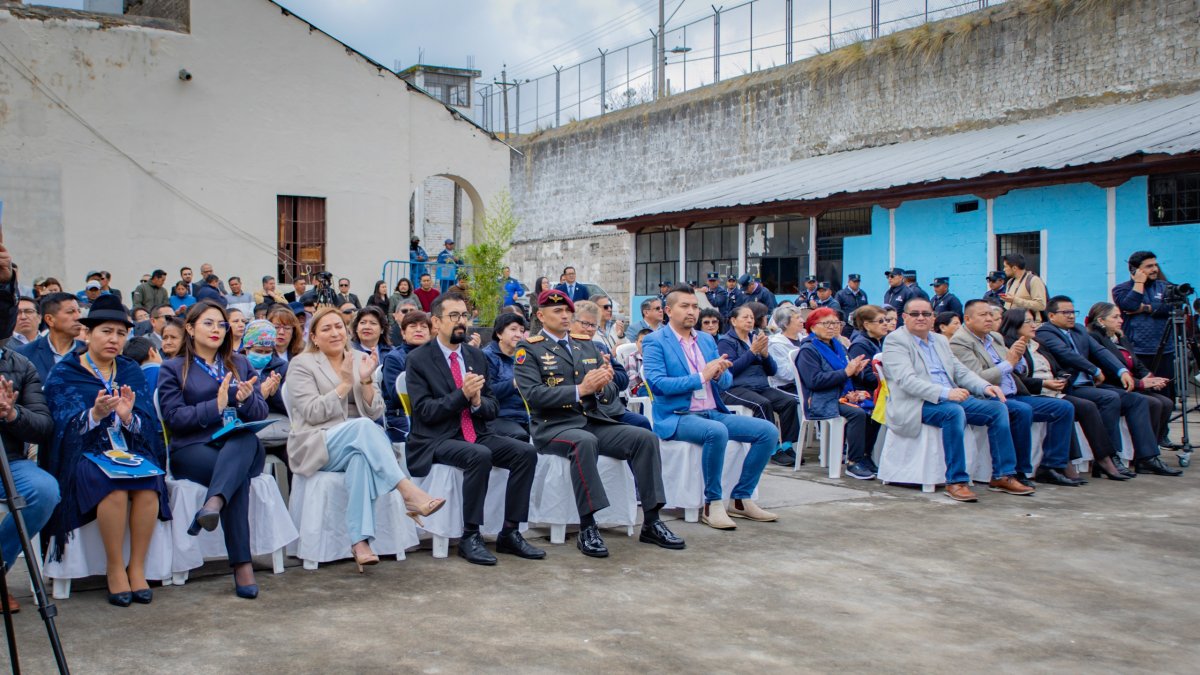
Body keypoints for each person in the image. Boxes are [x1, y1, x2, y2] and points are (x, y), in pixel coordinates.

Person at [514, 290, 682, 557]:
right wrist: (580, 389)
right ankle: (588, 526)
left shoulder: (586, 344)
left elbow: (611, 389)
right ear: (540, 316)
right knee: (584, 442)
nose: (564, 316)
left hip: (591, 419)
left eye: (567, 311)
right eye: (557, 311)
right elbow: (533, 395)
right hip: (554, 427)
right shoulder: (529, 349)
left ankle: (651, 521)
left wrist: (602, 386)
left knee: (644, 438)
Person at [285, 307, 444, 570]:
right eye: (326, 329)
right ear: (313, 337)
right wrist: (345, 384)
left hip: (359, 443)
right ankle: (408, 491)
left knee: (360, 457)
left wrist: (367, 380)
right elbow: (311, 413)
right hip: (316, 443)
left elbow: (376, 411)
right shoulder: (302, 364)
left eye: (339, 326)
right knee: (363, 428)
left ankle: (360, 542)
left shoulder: (359, 358)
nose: (335, 333)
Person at [41, 294, 170, 606]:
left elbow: (147, 424)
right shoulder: (66, 372)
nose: (114, 339)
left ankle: (136, 566)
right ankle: (115, 568)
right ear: (87, 334)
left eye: (121, 333)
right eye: (106, 331)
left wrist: (127, 417)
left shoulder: (129, 370)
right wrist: (94, 415)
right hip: (85, 453)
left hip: (127, 451)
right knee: (113, 488)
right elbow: (59, 428)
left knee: (148, 487)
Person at [404, 295, 543, 565]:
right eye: (453, 316)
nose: (461, 322)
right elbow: (425, 412)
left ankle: (510, 532)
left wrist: (478, 402)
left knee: (525, 453)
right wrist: (462, 395)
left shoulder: (475, 356)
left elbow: (492, 406)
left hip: (476, 432)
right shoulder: (419, 359)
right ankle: (470, 536)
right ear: (436, 322)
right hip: (436, 438)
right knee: (479, 455)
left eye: (464, 316)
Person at [641, 285, 778, 529]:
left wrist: (718, 374)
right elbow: (658, 384)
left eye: (695, 306)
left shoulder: (705, 339)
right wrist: (701, 376)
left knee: (767, 431)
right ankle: (712, 502)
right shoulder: (655, 341)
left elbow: (726, 382)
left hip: (713, 411)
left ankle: (741, 498)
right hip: (678, 415)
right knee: (716, 431)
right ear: (668, 311)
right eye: (685, 306)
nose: (691, 311)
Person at [158, 301, 268, 599]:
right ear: (190, 329)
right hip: (194, 449)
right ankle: (242, 565)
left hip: (240, 446)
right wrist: (215, 406)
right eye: (208, 323)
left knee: (245, 438)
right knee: (236, 478)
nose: (216, 329)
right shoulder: (173, 368)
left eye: (221, 324)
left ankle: (213, 504)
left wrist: (246, 399)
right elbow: (174, 418)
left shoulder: (240, 363)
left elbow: (259, 413)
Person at [880, 298, 1034, 502]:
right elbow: (906, 381)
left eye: (926, 314)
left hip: (950, 399)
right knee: (953, 412)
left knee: (997, 409)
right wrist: (946, 393)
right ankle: (956, 480)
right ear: (904, 317)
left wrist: (984, 386)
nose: (921, 318)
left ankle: (1003, 475)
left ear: (933, 317)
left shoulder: (940, 340)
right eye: (915, 314)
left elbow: (960, 371)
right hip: (916, 403)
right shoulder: (896, 341)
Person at [1034, 296, 1180, 476]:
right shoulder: (1046, 332)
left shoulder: (1079, 330)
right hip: (1070, 386)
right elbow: (1067, 355)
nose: (1071, 316)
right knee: (1109, 398)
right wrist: (1095, 370)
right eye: (1065, 312)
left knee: (1137, 400)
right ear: (1051, 316)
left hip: (1090, 384)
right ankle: (1110, 456)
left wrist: (1122, 371)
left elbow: (1100, 351)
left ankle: (1146, 458)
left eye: (1073, 312)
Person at [950, 300, 1079, 486]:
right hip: (988, 397)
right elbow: (977, 378)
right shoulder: (960, 342)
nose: (989, 319)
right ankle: (1018, 471)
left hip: (1014, 393)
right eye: (983, 315)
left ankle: (1051, 466)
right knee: (1021, 410)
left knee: (1063, 408)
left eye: (991, 315)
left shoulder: (995, 337)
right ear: (968, 319)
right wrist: (1009, 363)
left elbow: (1018, 370)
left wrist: (1019, 359)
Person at [998, 309, 1130, 481]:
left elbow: (1057, 367)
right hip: (1033, 392)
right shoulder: (1009, 346)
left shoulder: (1038, 343)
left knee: (1087, 407)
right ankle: (1061, 464)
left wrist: (1062, 377)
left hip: (1052, 390)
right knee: (1067, 407)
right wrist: (1043, 384)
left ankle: (1104, 458)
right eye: (1028, 322)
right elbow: (1015, 379)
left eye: (1035, 321)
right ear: (1015, 325)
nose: (1034, 325)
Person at [0, 346, 58, 614]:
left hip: (8, 460)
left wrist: (12, 414)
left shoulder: (21, 365)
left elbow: (43, 427)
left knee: (44, 490)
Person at [796, 307, 876, 479]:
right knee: (857, 414)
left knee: (874, 409)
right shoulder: (808, 350)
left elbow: (847, 373)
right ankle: (853, 462)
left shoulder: (838, 346)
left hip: (840, 394)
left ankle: (866, 456)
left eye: (836, 323)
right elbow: (814, 381)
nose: (832, 327)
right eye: (826, 323)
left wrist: (856, 371)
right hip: (821, 399)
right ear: (812, 326)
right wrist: (846, 372)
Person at [717, 304, 799, 466]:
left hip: (759, 386)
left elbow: (772, 371)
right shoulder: (726, 342)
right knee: (763, 404)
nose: (749, 320)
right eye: (745, 317)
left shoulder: (755, 338)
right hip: (734, 388)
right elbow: (731, 370)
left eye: (751, 318)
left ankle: (787, 445)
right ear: (733, 321)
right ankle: (772, 448)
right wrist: (752, 352)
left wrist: (766, 355)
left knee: (788, 402)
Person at [1086, 302, 1174, 450]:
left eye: (1120, 316)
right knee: (1153, 403)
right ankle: (1143, 452)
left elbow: (1137, 363)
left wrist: (1149, 378)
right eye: (1115, 317)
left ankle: (1155, 445)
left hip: (1131, 383)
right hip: (1112, 384)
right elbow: (1108, 370)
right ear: (1101, 320)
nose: (1121, 320)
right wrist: (1140, 383)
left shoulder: (1120, 338)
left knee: (1167, 403)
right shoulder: (1095, 338)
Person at [571, 301, 651, 430]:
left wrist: (608, 369)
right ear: (571, 323)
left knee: (642, 422)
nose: (590, 329)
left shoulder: (599, 347)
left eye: (593, 325)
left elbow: (623, 381)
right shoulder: (565, 348)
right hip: (583, 411)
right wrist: (595, 368)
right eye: (585, 324)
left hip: (610, 409)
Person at [1111, 250, 1178, 406]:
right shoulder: (1121, 289)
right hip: (1137, 350)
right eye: (1149, 266)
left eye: (1155, 265)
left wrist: (1146, 308)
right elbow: (1130, 305)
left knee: (1165, 397)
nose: (1155, 269)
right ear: (1135, 270)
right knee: (1143, 397)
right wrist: (1139, 284)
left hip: (1164, 350)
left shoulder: (1165, 287)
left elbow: (1172, 307)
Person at [379, 310, 433, 443]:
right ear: (403, 333)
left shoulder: (437, 356)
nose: (418, 330)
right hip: (402, 416)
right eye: (413, 326)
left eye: (424, 326)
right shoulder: (394, 358)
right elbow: (397, 397)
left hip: (434, 413)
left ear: (430, 333)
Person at [847, 304, 889, 457]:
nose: (886, 324)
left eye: (886, 320)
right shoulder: (860, 345)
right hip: (865, 391)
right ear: (867, 325)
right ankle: (864, 455)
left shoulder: (882, 341)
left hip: (881, 388)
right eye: (880, 321)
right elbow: (867, 378)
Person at [483, 312, 532, 442]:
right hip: (500, 416)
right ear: (499, 333)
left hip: (528, 415)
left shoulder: (526, 355)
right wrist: (514, 383)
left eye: (521, 331)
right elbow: (487, 392)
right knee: (521, 438)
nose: (518, 334)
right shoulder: (486, 357)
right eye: (513, 329)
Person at [18, 292, 84, 381]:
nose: (78, 317)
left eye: (79, 311)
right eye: (70, 312)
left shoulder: (90, 351)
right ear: (49, 319)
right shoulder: (24, 354)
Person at [240, 320, 286, 417]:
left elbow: (290, 408)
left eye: (268, 352)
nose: (263, 355)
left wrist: (275, 393)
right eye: (258, 351)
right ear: (246, 348)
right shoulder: (235, 366)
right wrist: (259, 396)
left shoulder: (282, 368)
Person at [767, 304, 806, 394]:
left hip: (805, 383)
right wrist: (807, 362)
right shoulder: (775, 345)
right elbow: (785, 375)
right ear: (785, 324)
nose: (802, 320)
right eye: (797, 318)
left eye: (801, 317)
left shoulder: (805, 340)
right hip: (786, 388)